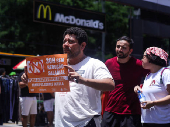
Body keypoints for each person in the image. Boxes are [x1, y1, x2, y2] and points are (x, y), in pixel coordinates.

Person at [21, 27, 115, 127]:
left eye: (71, 41)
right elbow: (54, 94)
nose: (65, 44)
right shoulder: (56, 66)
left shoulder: (94, 64)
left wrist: (82, 80)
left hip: (86, 123)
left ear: (82, 46)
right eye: (64, 41)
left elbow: (110, 85)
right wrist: (31, 81)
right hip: (61, 123)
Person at [101, 36, 149, 127]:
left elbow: (153, 76)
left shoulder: (138, 64)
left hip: (132, 112)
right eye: (118, 46)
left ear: (130, 51)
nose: (120, 49)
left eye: (124, 48)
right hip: (110, 110)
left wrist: (142, 87)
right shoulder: (109, 63)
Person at [134, 47, 170, 127]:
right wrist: (139, 90)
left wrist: (154, 103)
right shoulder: (148, 75)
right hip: (147, 120)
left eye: (144, 57)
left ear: (151, 58)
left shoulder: (165, 73)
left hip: (163, 122)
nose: (141, 59)